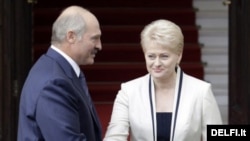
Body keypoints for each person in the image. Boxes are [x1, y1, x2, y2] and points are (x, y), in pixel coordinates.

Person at [103, 19, 222, 141]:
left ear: (179, 56)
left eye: (164, 56)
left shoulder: (201, 91)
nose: (157, 63)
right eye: (151, 56)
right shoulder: (128, 91)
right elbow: (114, 137)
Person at [17, 5, 102, 141]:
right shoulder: (53, 82)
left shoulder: (56, 69)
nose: (99, 45)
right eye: (94, 38)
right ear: (71, 37)